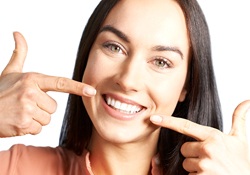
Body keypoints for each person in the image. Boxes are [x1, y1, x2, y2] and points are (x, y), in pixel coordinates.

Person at [0, 0, 249, 174]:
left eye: (161, 62)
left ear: (187, 86)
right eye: (114, 47)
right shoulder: (17, 167)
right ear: (87, 54)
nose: (128, 80)